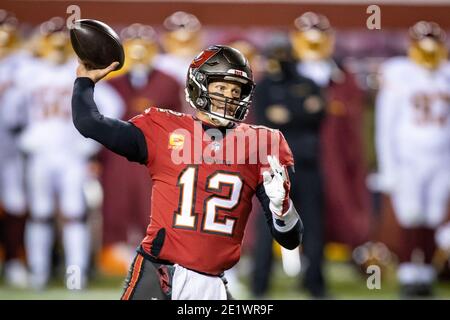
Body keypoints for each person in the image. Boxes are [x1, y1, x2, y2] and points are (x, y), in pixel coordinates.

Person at [72, 45, 303, 300]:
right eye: (221, 88)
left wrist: (282, 209)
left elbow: (290, 239)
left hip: (213, 282)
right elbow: (90, 123)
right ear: (199, 85)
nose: (230, 97)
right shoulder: (165, 128)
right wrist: (85, 81)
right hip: (160, 272)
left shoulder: (261, 143)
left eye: (236, 90)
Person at [98, 23, 182, 276]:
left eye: (143, 47)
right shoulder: (109, 82)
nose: (137, 53)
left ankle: (156, 262)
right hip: (117, 156)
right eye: (132, 47)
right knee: (116, 206)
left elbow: (180, 125)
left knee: (155, 208)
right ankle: (123, 265)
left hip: (154, 156)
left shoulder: (168, 81)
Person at [375, 21, 450, 297]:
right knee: (410, 214)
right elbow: (386, 125)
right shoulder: (400, 74)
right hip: (408, 158)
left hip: (441, 158)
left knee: (431, 216)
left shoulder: (446, 74)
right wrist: (388, 166)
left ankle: (426, 274)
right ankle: (409, 273)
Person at [252, 35, 326, 298]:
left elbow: (317, 114)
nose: (280, 62)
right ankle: (259, 284)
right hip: (273, 167)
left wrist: (289, 114)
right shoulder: (262, 87)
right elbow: (267, 119)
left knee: (314, 227)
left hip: (306, 163)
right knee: (267, 227)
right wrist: (302, 112)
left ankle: (315, 284)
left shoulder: (308, 83)